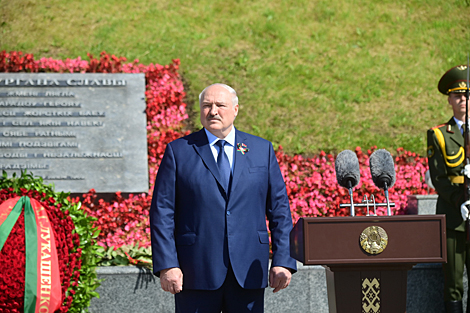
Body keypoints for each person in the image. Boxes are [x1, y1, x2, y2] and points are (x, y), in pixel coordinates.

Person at [149, 83, 297, 313]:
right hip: (196, 270)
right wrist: (168, 264)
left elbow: (279, 210)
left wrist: (283, 260)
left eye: (220, 105)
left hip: (248, 270)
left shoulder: (261, 150)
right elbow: (162, 212)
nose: (213, 111)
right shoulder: (179, 152)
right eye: (207, 105)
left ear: (235, 109)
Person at [427, 65, 470, 313]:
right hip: (454, 216)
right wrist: (460, 201)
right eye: (457, 96)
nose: (463, 100)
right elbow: (439, 178)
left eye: (467, 95)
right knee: (453, 283)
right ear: (449, 100)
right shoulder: (440, 134)